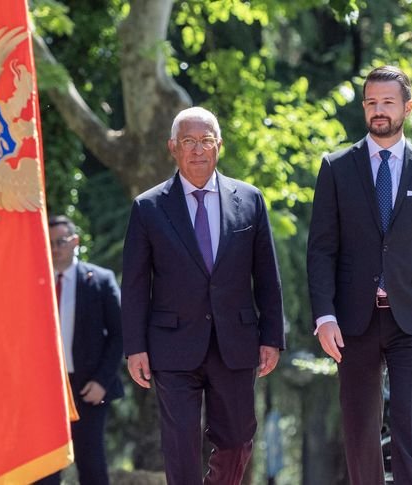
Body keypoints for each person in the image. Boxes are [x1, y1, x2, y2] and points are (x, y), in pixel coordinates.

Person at [306, 66, 412, 485]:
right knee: (360, 429)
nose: (378, 111)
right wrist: (324, 317)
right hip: (352, 321)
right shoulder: (336, 167)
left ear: (407, 107)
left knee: (409, 425)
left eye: (388, 103)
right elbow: (321, 249)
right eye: (371, 103)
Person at [121, 107, 285, 484]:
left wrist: (272, 337)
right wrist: (136, 347)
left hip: (236, 342)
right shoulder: (149, 207)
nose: (198, 150)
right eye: (189, 142)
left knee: (238, 441)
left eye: (206, 140)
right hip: (171, 345)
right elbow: (133, 283)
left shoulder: (250, 199)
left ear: (219, 146)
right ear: (173, 148)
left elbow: (267, 276)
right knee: (180, 444)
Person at [37, 215, 124, 485]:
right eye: (49, 242)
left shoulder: (100, 280)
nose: (55, 248)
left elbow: (121, 335)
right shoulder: (33, 281)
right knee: (44, 470)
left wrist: (102, 380)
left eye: (61, 241)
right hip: (45, 388)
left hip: (88, 388)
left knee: (91, 464)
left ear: (74, 241)